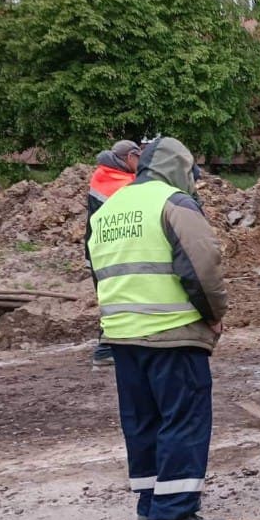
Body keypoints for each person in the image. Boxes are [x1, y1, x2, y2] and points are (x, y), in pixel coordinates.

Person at [87, 137, 229, 520]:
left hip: (122, 333)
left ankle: (150, 506)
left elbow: (99, 269)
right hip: (172, 333)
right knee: (183, 419)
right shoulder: (174, 203)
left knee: (143, 421)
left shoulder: (110, 208)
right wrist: (214, 314)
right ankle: (175, 514)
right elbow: (202, 265)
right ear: (179, 168)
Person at [86, 140, 141, 367]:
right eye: (139, 158)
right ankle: (105, 349)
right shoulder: (118, 182)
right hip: (111, 251)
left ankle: (114, 345)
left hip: (100, 249)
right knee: (118, 298)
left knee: (113, 297)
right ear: (130, 157)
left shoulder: (103, 174)